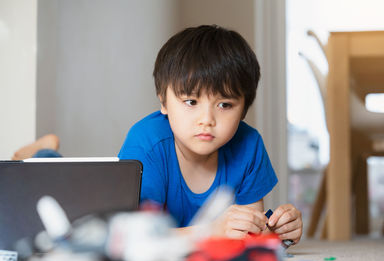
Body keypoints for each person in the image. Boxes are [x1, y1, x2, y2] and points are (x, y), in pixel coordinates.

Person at [118, 25, 302, 242]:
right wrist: (209, 232)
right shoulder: (146, 144)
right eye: (190, 102)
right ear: (163, 100)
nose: (206, 119)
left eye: (224, 105)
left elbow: (248, 235)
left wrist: (274, 231)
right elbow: (132, 239)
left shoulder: (249, 145)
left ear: (243, 109)